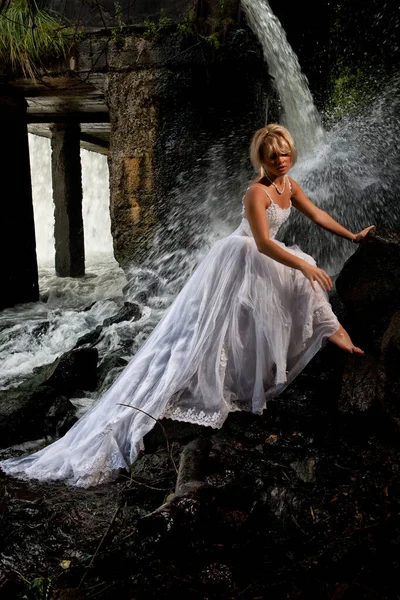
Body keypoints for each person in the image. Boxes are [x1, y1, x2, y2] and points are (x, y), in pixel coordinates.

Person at [0, 124, 374, 488]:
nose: (281, 160)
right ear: (261, 158)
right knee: (223, 321)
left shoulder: (289, 185)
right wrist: (305, 265)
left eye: (285, 153)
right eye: (273, 155)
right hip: (241, 256)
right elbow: (262, 242)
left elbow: (318, 215)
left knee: (255, 312)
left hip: (263, 258)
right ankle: (328, 332)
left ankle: (325, 332)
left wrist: (353, 235)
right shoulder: (256, 193)